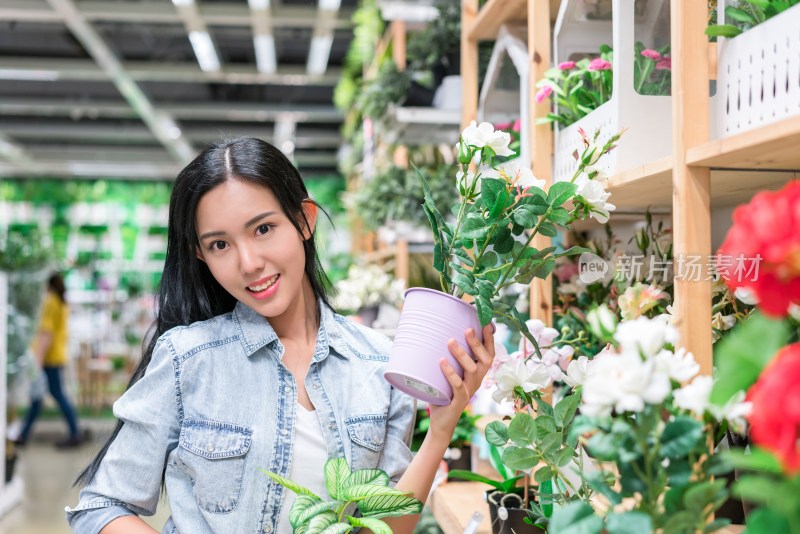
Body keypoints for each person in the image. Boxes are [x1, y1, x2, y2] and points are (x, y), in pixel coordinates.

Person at [66, 138, 495, 533]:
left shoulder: (379, 363)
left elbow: (386, 528)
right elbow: (101, 506)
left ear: (304, 221)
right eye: (220, 245)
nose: (249, 262)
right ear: (201, 255)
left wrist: (441, 429)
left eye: (263, 229)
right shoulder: (187, 359)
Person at [15, 272, 82, 448]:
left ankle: (75, 433)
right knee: (40, 396)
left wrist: (37, 359)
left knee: (54, 394)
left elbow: (46, 333)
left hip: (48, 358)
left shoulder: (51, 302)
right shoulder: (62, 303)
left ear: (49, 285)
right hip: (56, 355)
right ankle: (23, 434)